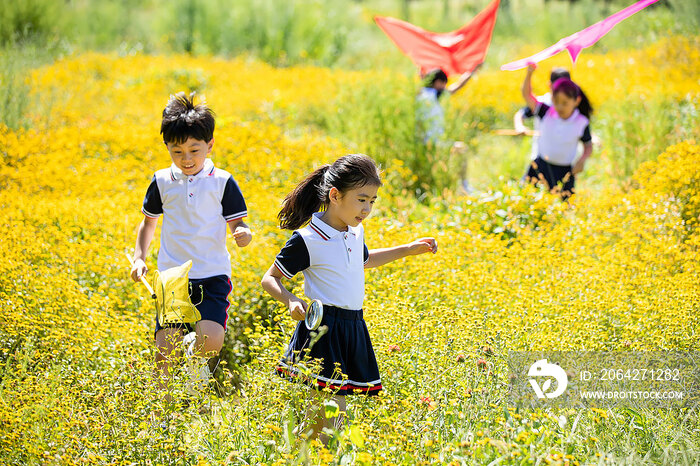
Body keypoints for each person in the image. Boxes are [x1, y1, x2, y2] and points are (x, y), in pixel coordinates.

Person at [260, 154, 437, 442]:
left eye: (372, 201)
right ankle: (308, 455)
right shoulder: (308, 239)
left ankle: (297, 454)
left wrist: (407, 249)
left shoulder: (354, 230)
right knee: (333, 413)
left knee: (323, 417)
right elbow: (270, 279)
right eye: (362, 199)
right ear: (335, 195)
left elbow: (363, 261)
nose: (367, 208)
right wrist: (291, 300)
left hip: (353, 324)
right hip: (324, 328)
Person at [129, 92, 253, 403]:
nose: (186, 159)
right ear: (167, 148)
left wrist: (242, 233)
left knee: (210, 340)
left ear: (210, 146)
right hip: (172, 275)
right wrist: (139, 258)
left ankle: (193, 392)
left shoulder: (223, 182)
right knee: (166, 346)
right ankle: (162, 409)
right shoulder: (160, 181)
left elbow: (237, 223)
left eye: (194, 150)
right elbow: (148, 223)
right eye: (177, 151)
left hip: (212, 273)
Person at [521, 64, 593, 199]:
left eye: (565, 103)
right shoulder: (546, 112)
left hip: (565, 171)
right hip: (540, 166)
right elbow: (527, 95)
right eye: (556, 101)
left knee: (565, 208)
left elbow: (588, 145)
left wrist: (582, 160)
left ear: (576, 101)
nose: (560, 107)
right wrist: (529, 73)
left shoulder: (581, 122)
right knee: (527, 201)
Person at [416, 65, 481, 193]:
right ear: (438, 82)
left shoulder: (420, 94)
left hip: (421, 141)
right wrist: (472, 70)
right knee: (462, 149)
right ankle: (464, 185)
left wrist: (421, 78)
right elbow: (458, 85)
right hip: (434, 142)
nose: (444, 87)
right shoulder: (436, 94)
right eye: (443, 83)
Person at [513, 67, 570, 160]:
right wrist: (519, 126)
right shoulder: (543, 105)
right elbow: (521, 111)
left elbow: (580, 126)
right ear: (550, 85)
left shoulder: (572, 105)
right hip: (541, 158)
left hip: (565, 160)